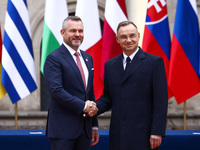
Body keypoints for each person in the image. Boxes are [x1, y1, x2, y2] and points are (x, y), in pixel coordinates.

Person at [95, 21, 168, 150]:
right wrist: (92, 108)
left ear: (138, 36)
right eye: (123, 37)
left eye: (132, 36)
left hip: (144, 135)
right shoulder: (110, 65)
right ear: (117, 39)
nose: (128, 40)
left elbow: (160, 101)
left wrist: (157, 131)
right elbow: (108, 98)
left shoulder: (154, 62)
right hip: (118, 135)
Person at [44, 16, 99, 150]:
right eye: (72, 31)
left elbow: (89, 93)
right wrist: (84, 106)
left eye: (80, 31)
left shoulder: (87, 58)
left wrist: (93, 125)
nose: (77, 35)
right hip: (63, 131)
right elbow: (56, 91)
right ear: (63, 33)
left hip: (85, 130)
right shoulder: (54, 58)